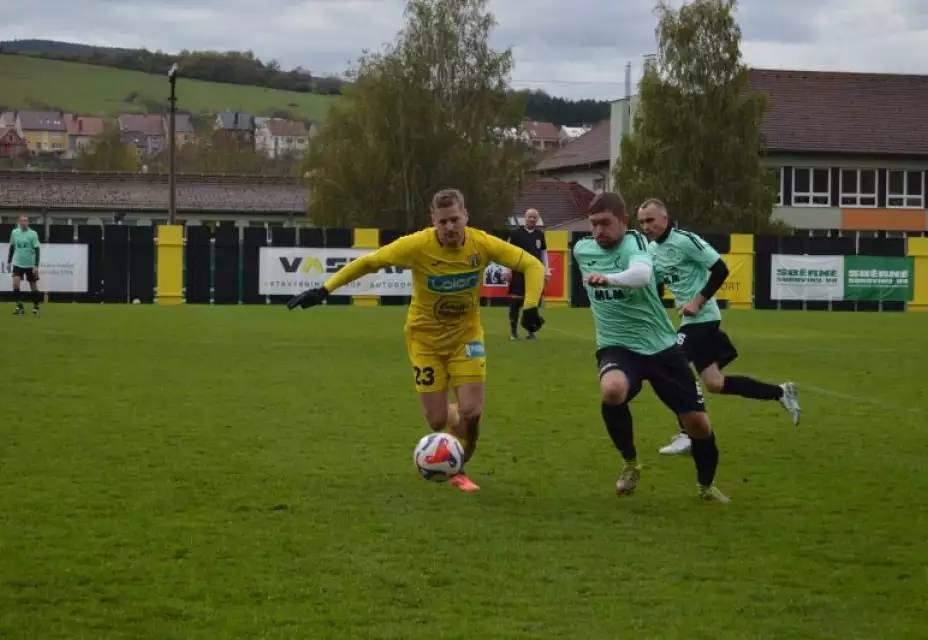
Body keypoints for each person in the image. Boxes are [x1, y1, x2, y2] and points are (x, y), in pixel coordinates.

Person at [286, 188, 546, 492]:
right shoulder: (417, 246)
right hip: (425, 341)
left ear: (465, 217)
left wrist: (529, 306)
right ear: (433, 221)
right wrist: (324, 289)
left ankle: (459, 470)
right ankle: (452, 419)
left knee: (472, 413)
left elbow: (533, 265)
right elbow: (370, 262)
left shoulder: (482, 243)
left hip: (466, 338)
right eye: (443, 221)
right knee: (438, 421)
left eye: (455, 219)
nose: (450, 227)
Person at [574, 191, 728, 502]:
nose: (598, 231)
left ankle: (705, 486)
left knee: (698, 424)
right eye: (593, 225)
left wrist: (609, 279)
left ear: (624, 222)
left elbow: (642, 275)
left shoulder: (636, 242)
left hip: (661, 347)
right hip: (616, 345)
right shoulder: (581, 249)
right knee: (612, 390)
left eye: (605, 223)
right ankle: (630, 464)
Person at [637, 199, 800, 456]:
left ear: (665, 220)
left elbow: (721, 269)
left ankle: (687, 433)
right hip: (689, 320)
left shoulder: (685, 240)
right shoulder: (652, 249)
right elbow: (656, 287)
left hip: (703, 317)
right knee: (714, 383)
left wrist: (697, 301)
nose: (646, 226)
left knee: (673, 366)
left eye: (650, 220)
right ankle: (780, 392)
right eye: (642, 222)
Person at [503, 208, 551, 340]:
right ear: (525, 218)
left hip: (534, 274)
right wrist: (507, 270)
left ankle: (531, 331)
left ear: (537, 219)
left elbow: (543, 254)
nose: (532, 219)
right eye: (530, 217)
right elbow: (507, 253)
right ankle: (513, 332)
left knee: (532, 304)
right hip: (519, 272)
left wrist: (547, 271)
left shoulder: (540, 235)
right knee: (515, 303)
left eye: (534, 217)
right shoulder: (516, 234)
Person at [7, 216, 42, 316]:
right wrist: (9, 262)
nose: (23, 223)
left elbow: (37, 249)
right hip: (18, 263)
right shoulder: (14, 232)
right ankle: (19, 306)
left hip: (30, 264)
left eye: (25, 221)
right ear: (19, 222)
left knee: (33, 287)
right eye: (22, 221)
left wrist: (36, 265)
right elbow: (12, 247)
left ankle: (36, 307)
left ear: (28, 222)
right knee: (15, 284)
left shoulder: (33, 234)